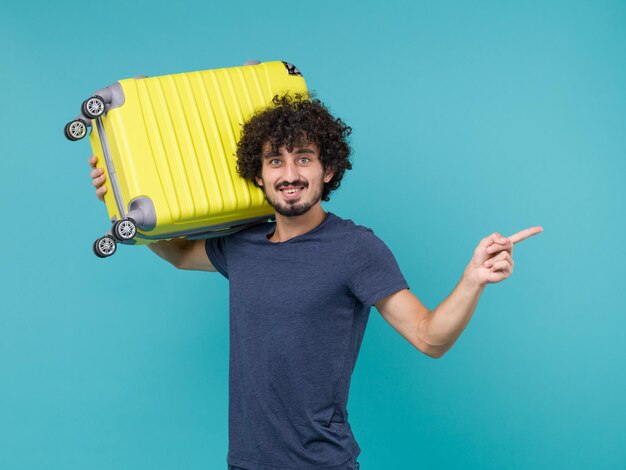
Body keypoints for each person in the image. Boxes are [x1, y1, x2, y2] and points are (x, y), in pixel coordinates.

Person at [88, 94, 542, 470]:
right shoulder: (242, 244)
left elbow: (429, 338)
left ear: (327, 170)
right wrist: (118, 196)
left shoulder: (356, 249)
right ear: (259, 174)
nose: (289, 175)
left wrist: (472, 280)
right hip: (244, 463)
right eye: (275, 162)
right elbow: (179, 253)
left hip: (319, 464)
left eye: (303, 159)